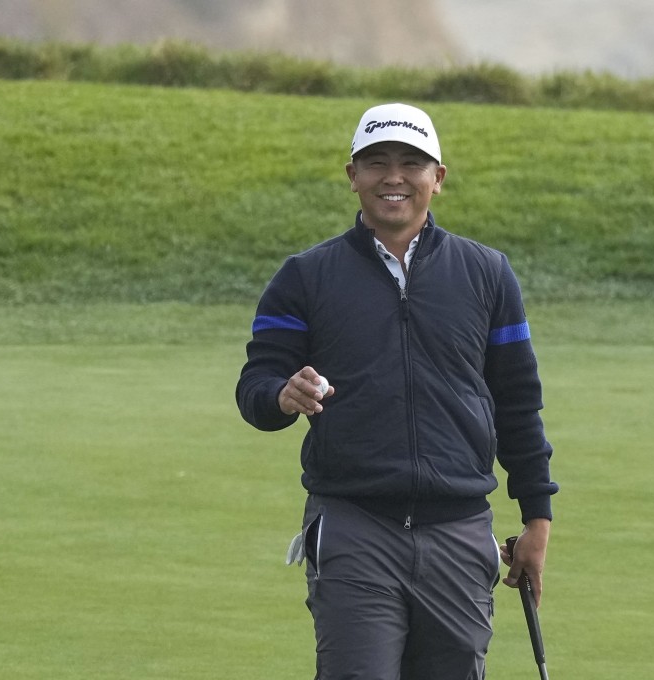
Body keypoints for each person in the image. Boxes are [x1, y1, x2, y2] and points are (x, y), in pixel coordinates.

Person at [236, 102, 558, 680]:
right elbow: (256, 386)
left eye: (412, 163)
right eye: (376, 162)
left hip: (459, 530)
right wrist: (282, 395)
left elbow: (517, 402)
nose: (394, 176)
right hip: (355, 524)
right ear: (352, 176)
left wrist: (537, 520)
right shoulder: (306, 276)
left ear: (438, 177)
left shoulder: (486, 273)